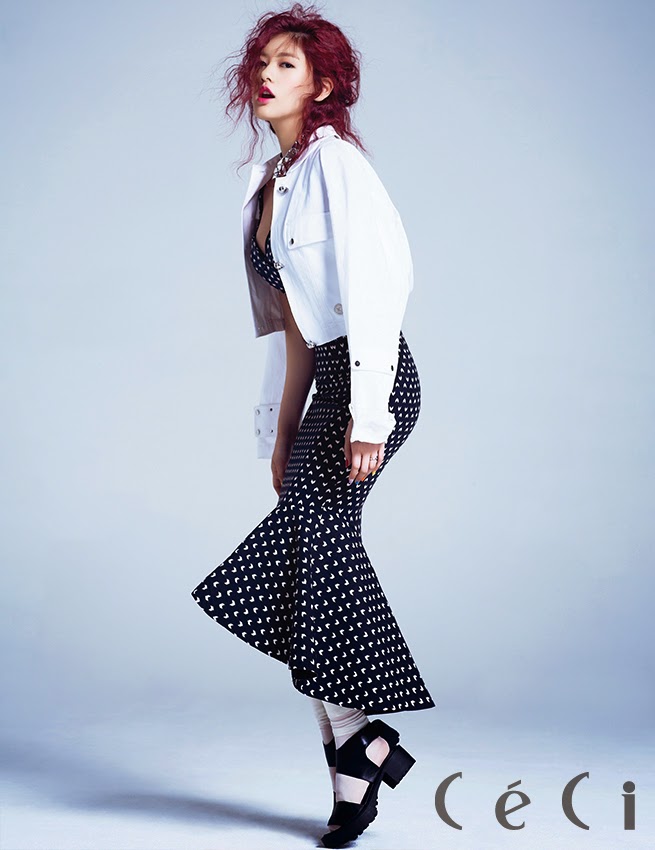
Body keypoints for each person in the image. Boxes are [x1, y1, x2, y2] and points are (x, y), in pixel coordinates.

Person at [191, 4, 435, 846]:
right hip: (324, 388)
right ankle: (354, 772)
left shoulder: (336, 165)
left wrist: (367, 416)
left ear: (323, 84)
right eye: (261, 62)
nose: (266, 74)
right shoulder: (272, 181)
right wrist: (282, 429)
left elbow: (378, 289)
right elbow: (292, 326)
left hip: (371, 380)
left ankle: (365, 742)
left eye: (287, 64)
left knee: (314, 551)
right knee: (309, 567)